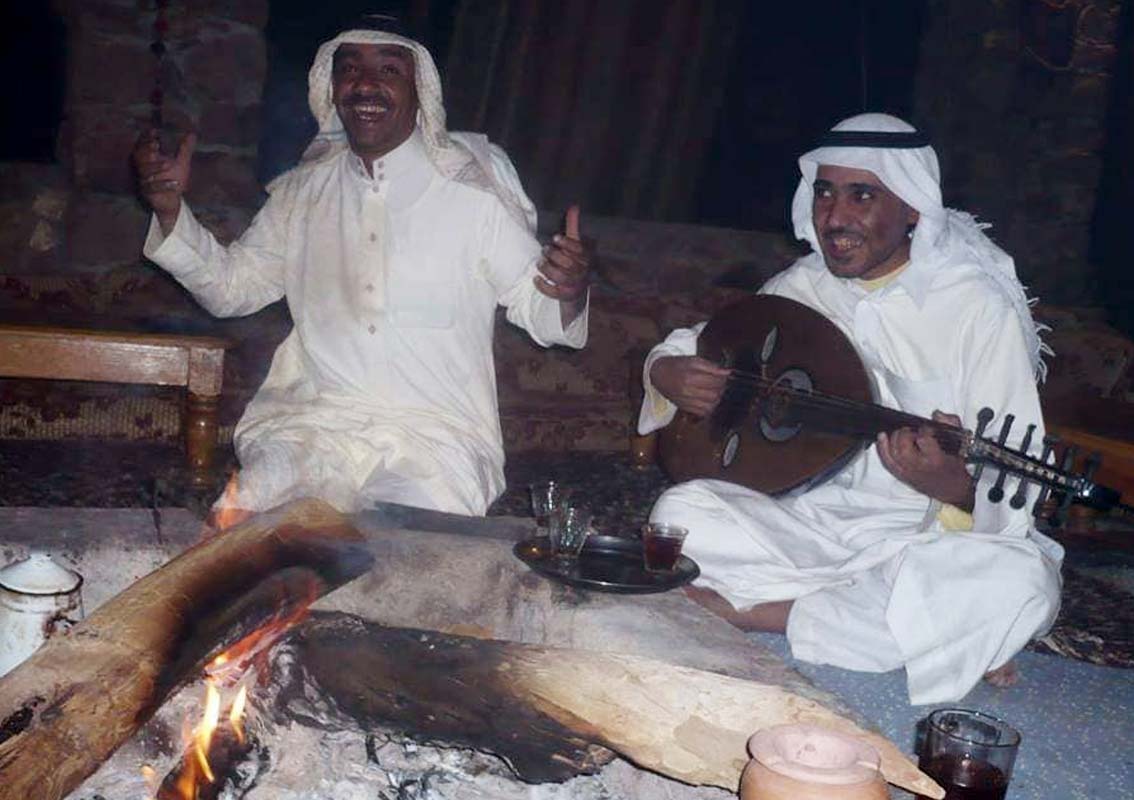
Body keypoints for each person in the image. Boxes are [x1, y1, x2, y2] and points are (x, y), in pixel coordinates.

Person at [638, 113, 1062, 705]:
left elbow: (1019, 473)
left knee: (1020, 583)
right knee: (682, 512)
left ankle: (761, 614)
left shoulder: (973, 306)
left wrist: (957, 488)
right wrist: (668, 373)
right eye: (825, 192)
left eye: (862, 195)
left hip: (922, 540)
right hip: (810, 524)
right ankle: (912, 630)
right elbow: (696, 344)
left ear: (912, 207)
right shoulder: (801, 287)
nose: (835, 217)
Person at [133, 14, 590, 518]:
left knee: (400, 550)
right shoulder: (304, 192)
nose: (365, 84)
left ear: (421, 91)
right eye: (349, 69)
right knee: (246, 528)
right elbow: (231, 289)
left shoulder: (474, 189)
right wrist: (171, 211)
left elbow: (539, 308)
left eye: (389, 70)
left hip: (436, 443)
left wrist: (566, 291)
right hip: (312, 429)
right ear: (331, 87)